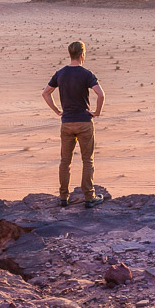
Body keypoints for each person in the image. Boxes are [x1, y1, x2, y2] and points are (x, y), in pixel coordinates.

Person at [42, 41, 106, 208]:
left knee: (65, 161)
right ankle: (89, 197)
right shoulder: (86, 74)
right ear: (82, 54)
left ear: (70, 54)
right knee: (88, 160)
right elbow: (101, 95)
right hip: (84, 122)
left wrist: (57, 111)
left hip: (67, 123)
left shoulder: (61, 73)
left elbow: (46, 93)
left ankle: (64, 197)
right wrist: (97, 112)